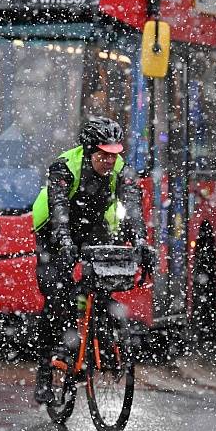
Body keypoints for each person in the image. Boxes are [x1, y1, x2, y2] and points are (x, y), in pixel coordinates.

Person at [31, 116, 145, 405]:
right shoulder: (64, 167)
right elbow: (58, 210)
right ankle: (46, 371)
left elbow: (132, 209)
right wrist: (65, 242)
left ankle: (100, 342)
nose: (109, 161)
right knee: (57, 295)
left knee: (103, 282)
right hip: (54, 230)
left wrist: (141, 242)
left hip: (93, 227)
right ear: (89, 151)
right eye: (102, 155)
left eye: (114, 155)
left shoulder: (121, 170)